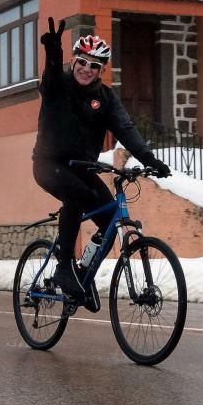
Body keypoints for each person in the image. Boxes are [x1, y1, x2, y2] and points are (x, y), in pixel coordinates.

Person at [32, 17, 171, 300]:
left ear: (101, 70)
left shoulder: (105, 99)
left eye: (94, 65)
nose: (86, 69)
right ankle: (63, 269)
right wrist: (54, 54)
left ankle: (82, 274)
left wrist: (149, 159)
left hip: (82, 168)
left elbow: (126, 129)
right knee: (76, 196)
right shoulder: (60, 83)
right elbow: (50, 83)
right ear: (75, 61)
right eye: (82, 62)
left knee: (110, 220)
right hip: (49, 164)